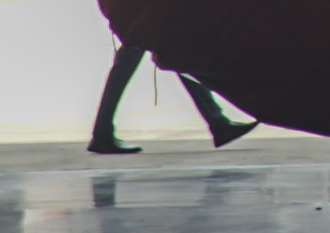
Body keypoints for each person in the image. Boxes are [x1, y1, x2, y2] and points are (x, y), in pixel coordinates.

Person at [89, 38, 253, 155]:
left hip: (142, 10)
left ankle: (219, 123)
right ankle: (218, 124)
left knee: (176, 53)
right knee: (179, 53)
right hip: (147, 11)